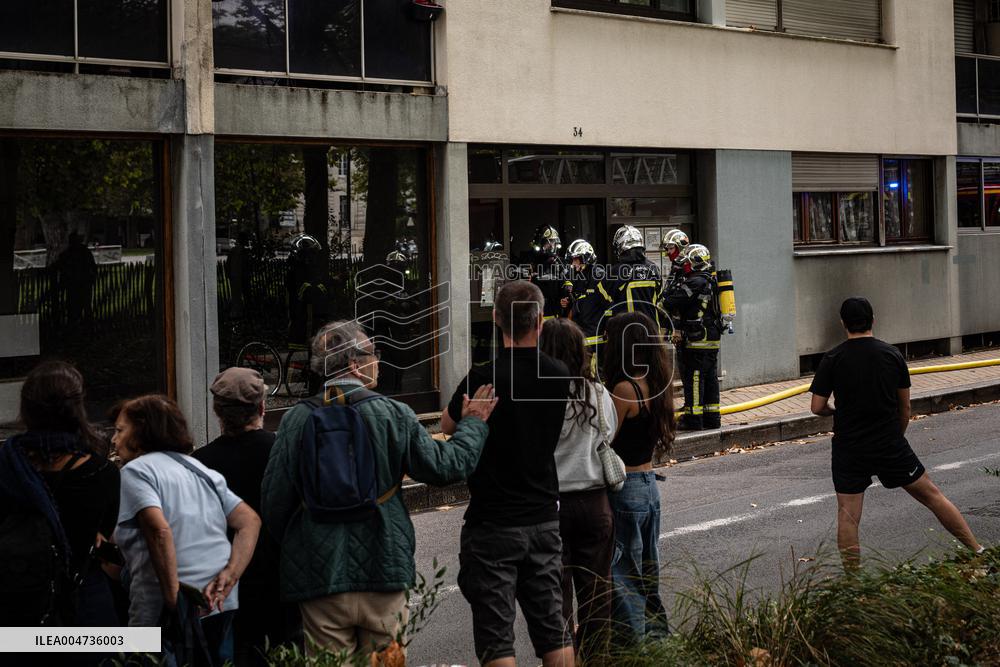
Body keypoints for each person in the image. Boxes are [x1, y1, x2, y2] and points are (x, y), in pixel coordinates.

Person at [262, 320, 496, 659]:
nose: (378, 361)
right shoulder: (392, 414)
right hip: (383, 568)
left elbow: (274, 502)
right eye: (373, 353)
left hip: (320, 576)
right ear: (354, 364)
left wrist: (303, 544)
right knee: (385, 661)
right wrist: (473, 423)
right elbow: (447, 467)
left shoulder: (295, 420)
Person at [440, 280, 575, 667]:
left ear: (497, 318)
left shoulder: (485, 377)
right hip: (544, 517)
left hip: (493, 522)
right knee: (554, 629)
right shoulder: (558, 374)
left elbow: (448, 424)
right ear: (541, 320)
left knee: (497, 638)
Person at [809, 297, 984, 569]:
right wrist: (896, 436)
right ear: (873, 320)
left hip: (849, 447)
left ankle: (854, 582)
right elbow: (905, 407)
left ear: (843, 323)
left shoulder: (832, 358)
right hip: (889, 442)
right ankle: (978, 552)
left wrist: (836, 411)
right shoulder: (891, 355)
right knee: (933, 496)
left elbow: (817, 407)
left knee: (848, 515)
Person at [112, 394, 261, 666]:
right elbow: (249, 521)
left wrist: (173, 601)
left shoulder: (136, 471)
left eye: (120, 430)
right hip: (219, 604)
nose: (114, 439)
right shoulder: (199, 469)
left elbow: (159, 531)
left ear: (142, 431)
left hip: (165, 612)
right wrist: (230, 574)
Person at [0, 361, 121, 631]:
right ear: (78, 408)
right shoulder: (103, 473)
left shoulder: (7, 467)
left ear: (26, 408)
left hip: (17, 606)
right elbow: (102, 537)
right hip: (85, 603)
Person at [193, 368, 298, 666]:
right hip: (280, 578)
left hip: (225, 583)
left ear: (217, 412)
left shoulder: (200, 463)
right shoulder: (283, 452)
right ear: (262, 407)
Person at [539, 318, 618, 660]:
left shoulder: (537, 394)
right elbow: (610, 434)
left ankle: (562, 658)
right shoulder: (597, 393)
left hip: (550, 503)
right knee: (597, 590)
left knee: (555, 594)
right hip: (594, 501)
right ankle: (596, 657)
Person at [601, 311, 675, 642]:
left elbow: (605, 438)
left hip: (625, 488)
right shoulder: (656, 383)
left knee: (624, 576)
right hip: (648, 486)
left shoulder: (623, 389)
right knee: (647, 572)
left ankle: (635, 648)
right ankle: (659, 642)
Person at [661, 244, 721, 431]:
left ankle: (694, 420)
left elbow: (670, 301)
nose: (684, 266)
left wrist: (670, 288)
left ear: (695, 263)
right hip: (711, 339)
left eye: (686, 263)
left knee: (694, 378)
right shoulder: (711, 280)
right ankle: (712, 418)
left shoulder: (695, 282)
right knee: (710, 378)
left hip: (696, 340)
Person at [604, 225, 663, 331]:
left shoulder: (615, 271)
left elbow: (603, 301)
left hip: (627, 332)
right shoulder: (653, 268)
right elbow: (659, 296)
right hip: (652, 331)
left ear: (620, 246)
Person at [564, 239, 611, 364]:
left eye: (576, 259)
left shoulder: (599, 276)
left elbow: (610, 303)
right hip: (582, 334)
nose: (573, 263)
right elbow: (580, 300)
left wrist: (608, 326)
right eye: (572, 260)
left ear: (586, 258)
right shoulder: (578, 276)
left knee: (598, 371)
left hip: (597, 337)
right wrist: (568, 302)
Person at [523, 225, 571, 320]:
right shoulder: (530, 262)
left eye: (553, 242)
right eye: (548, 242)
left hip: (555, 314)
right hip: (536, 314)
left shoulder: (560, 263)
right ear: (540, 243)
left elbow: (567, 286)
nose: (552, 246)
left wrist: (566, 299)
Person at [54, 231, 97, 324]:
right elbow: (93, 267)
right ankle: (84, 325)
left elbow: (60, 265)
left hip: (75, 284)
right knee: (82, 306)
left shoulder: (69, 254)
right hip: (81, 284)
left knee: (76, 306)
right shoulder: (84, 252)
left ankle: (78, 324)